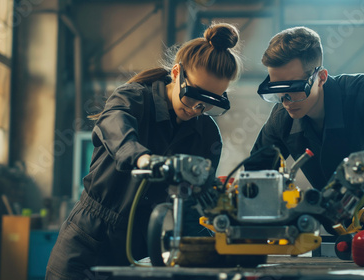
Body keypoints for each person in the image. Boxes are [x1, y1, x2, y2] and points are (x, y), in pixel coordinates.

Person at [46, 23, 242, 279]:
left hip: (140, 250)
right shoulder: (133, 98)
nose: (197, 108)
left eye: (211, 102)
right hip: (88, 241)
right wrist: (142, 158)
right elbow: (115, 126)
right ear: (176, 73)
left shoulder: (206, 135)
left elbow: (195, 207)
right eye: (193, 94)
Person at [246, 26, 364, 210]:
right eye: (277, 90)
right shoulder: (281, 119)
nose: (285, 101)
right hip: (339, 224)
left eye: (295, 88)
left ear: (321, 77)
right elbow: (257, 170)